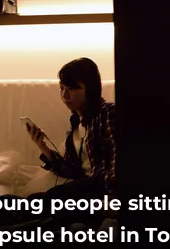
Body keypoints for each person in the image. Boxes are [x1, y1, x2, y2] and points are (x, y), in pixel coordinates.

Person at [26, 57, 116, 228]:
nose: (64, 95)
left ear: (90, 89)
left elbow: (118, 152)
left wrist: (113, 194)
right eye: (61, 88)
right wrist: (42, 145)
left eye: (72, 89)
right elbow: (71, 170)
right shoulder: (75, 125)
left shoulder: (108, 113)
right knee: (32, 201)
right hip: (84, 189)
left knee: (54, 197)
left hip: (101, 189)